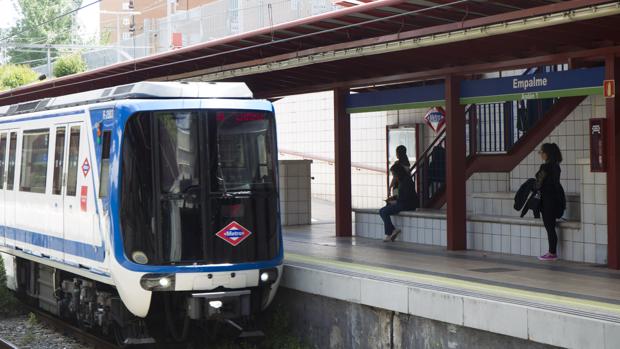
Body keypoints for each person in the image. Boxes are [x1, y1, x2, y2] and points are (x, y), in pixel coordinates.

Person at [535, 143, 564, 261]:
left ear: (547, 153)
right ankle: (552, 252)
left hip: (547, 200)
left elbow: (538, 183)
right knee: (551, 226)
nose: (540, 155)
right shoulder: (556, 166)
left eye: (541, 152)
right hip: (556, 198)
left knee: (549, 227)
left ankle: (552, 252)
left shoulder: (545, 167)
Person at [380, 163, 418, 242]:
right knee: (382, 210)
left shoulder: (406, 181)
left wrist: (396, 201)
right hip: (404, 203)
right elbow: (402, 195)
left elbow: (407, 197)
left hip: (408, 204)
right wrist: (393, 198)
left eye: (394, 174)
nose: (394, 176)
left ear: (398, 172)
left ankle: (390, 232)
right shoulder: (402, 180)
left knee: (383, 211)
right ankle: (392, 231)